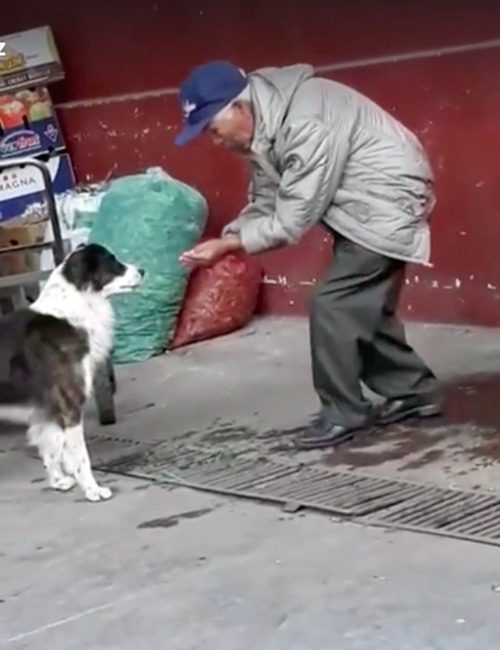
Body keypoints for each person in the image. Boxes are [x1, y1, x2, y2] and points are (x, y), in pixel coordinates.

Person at [175, 60, 441, 450]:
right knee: (358, 305)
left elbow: (293, 216)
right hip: (357, 206)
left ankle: (344, 413)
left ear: (238, 108)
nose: (215, 142)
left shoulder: (304, 122)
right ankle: (414, 391)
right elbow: (267, 199)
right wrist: (230, 236)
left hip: (386, 202)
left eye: (213, 130)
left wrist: (230, 244)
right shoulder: (265, 126)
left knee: (333, 304)